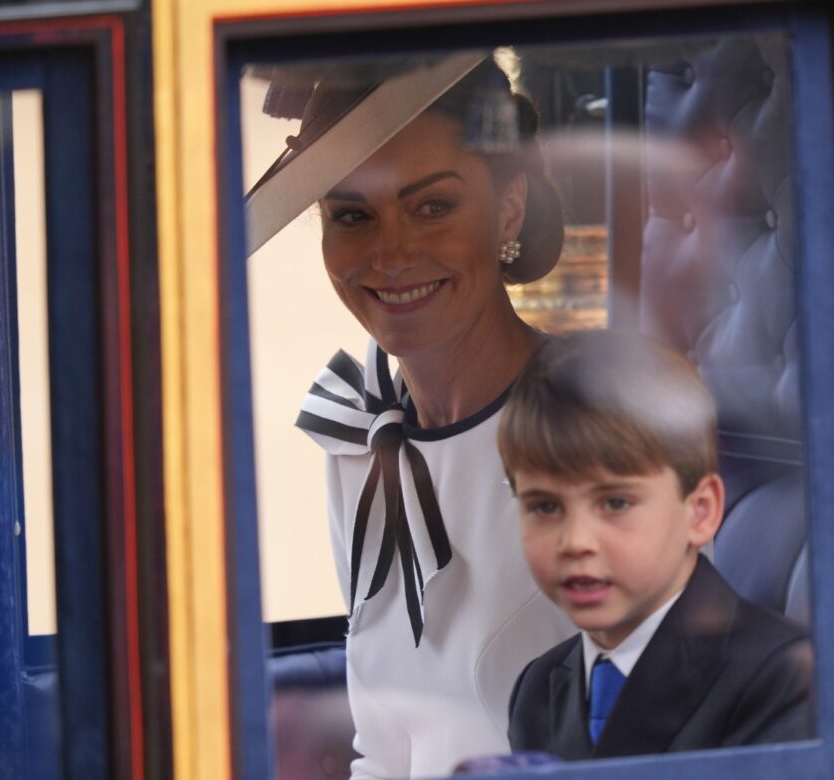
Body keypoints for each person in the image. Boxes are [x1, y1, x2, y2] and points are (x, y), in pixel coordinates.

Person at [289, 57, 576, 778]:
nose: (390, 254)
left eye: (432, 207)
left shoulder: (593, 425)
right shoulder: (355, 443)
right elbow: (380, 751)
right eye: (351, 215)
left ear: (507, 209)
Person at [500, 330, 814, 760]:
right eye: (545, 507)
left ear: (700, 512)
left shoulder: (783, 676)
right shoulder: (537, 689)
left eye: (615, 502)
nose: (575, 542)